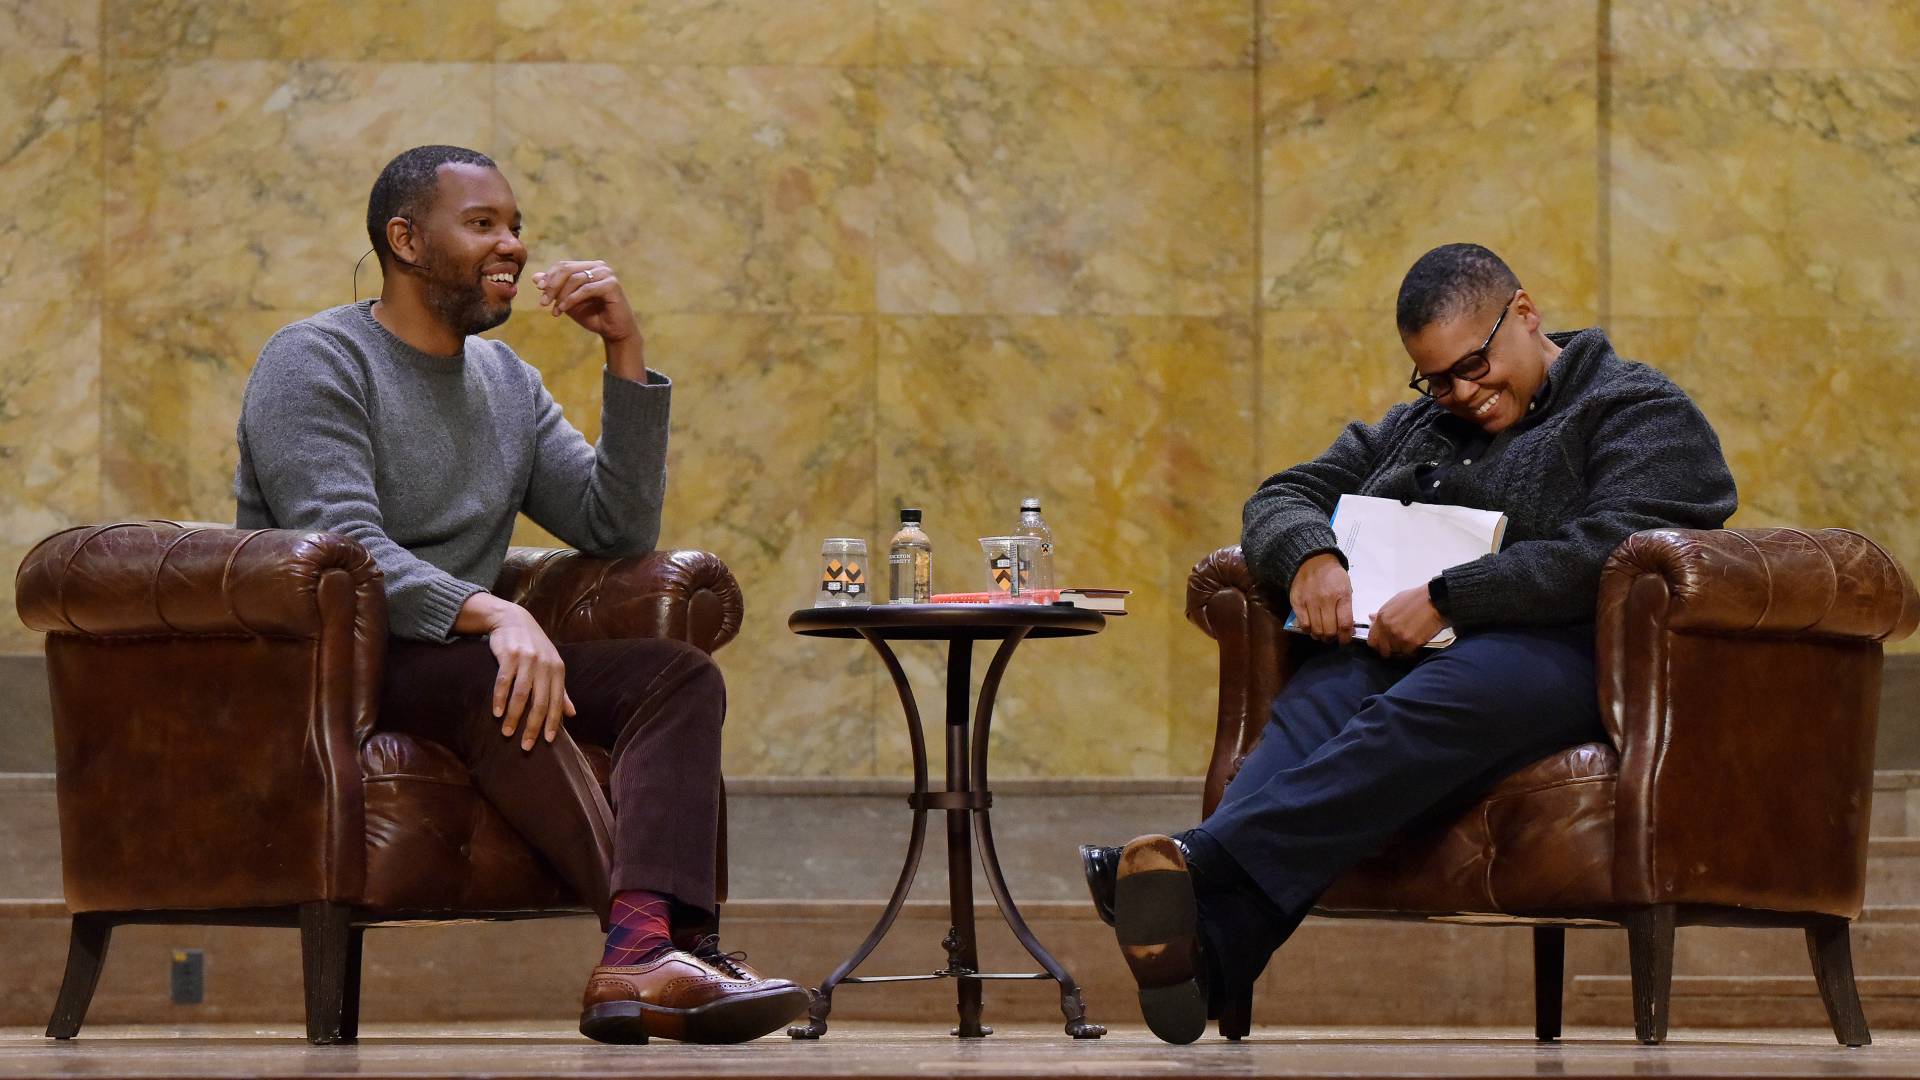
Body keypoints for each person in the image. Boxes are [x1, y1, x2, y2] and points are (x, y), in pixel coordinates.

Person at [1079, 243, 1738, 1044]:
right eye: (1437, 378)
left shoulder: (1638, 410)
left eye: (1474, 365)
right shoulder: (1417, 427)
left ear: (1523, 314)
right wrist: (1310, 558)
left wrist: (1451, 596)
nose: (1463, 393)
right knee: (1314, 706)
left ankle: (1203, 859)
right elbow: (1282, 495)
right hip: (1403, 648)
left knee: (1432, 704)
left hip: (1562, 654)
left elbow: (1618, 544)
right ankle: (1214, 954)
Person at [234, 145, 807, 1045]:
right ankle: (657, 948)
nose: (513, 246)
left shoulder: (506, 383)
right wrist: (498, 613)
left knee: (677, 675)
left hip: (461, 652)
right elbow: (345, 544)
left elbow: (615, 530)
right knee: (500, 678)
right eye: (483, 224)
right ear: (406, 240)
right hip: (335, 666)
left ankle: (647, 955)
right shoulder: (313, 361)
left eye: (516, 226)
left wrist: (625, 352)